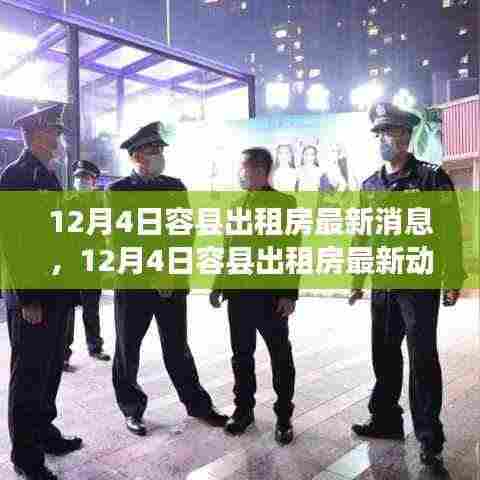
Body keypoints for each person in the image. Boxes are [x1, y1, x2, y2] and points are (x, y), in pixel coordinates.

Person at [349, 102, 466, 470]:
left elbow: (450, 231)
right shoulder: (370, 184)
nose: (385, 139)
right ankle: (385, 419)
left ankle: (429, 438)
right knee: (384, 355)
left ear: (406, 136)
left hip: (418, 285)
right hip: (383, 285)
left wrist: (453, 277)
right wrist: (356, 279)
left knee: (422, 360)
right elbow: (361, 234)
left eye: (391, 132)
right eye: (380, 133)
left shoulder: (431, 179)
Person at [109, 122, 228, 436]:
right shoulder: (118, 191)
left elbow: (185, 232)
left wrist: (169, 272)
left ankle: (198, 405)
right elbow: (121, 240)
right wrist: (153, 274)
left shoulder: (175, 186)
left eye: (160, 149)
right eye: (153, 150)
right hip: (134, 284)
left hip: (171, 283)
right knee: (127, 350)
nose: (159, 155)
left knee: (177, 348)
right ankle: (132, 409)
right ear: (136, 155)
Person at [0, 104, 82, 480]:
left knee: (49, 370)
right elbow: (13, 242)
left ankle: (45, 433)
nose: (60, 138)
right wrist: (28, 297)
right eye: (55, 131)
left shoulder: (47, 174)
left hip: (56, 291)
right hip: (34, 296)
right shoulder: (16, 176)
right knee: (30, 374)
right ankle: (26, 455)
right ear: (37, 134)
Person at [210, 147, 300, 445]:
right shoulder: (236, 204)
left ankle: (284, 416)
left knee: (280, 356)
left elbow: (291, 249)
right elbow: (228, 247)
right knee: (241, 355)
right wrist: (218, 284)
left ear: (261, 170)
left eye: (245, 168)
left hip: (270, 297)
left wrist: (288, 294)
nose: (241, 173)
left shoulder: (284, 204)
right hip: (238, 296)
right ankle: (243, 410)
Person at [63, 160, 110, 373]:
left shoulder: (100, 204)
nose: (81, 181)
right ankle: (63, 354)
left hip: (91, 263)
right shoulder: (66, 201)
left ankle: (95, 347)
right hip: (70, 264)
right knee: (67, 313)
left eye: (86, 178)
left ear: (94, 181)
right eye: (78, 177)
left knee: (91, 309)